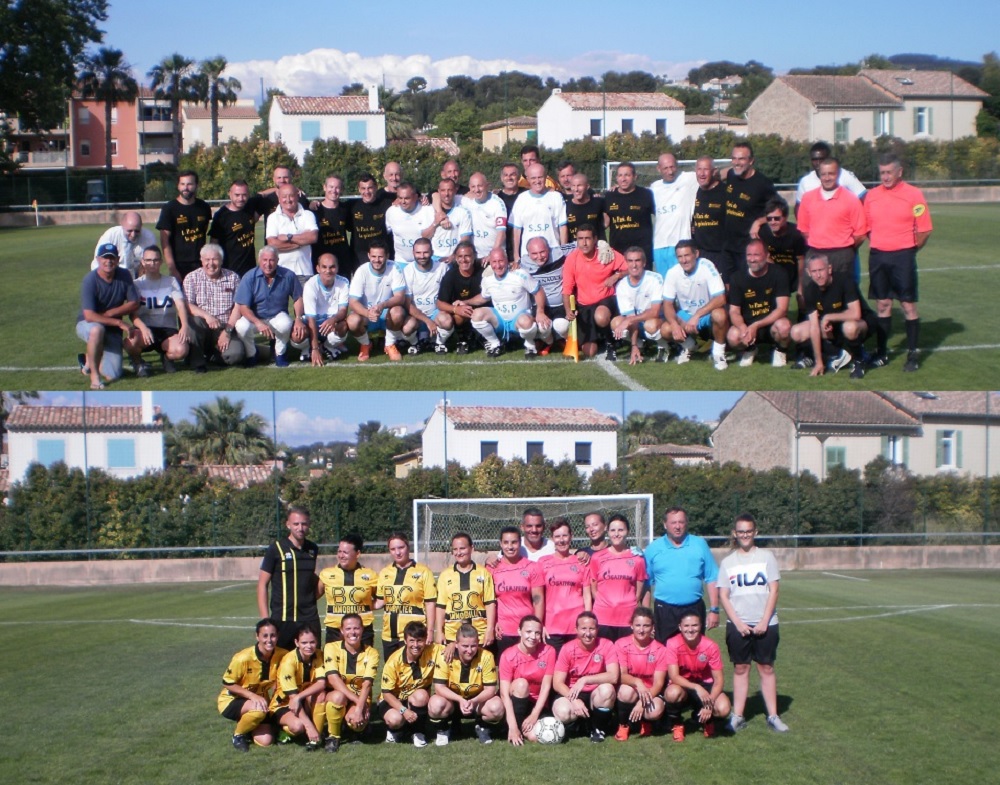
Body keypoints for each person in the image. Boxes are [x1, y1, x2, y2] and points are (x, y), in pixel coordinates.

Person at [718, 513, 788, 733]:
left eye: (749, 531)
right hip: (739, 625)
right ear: (735, 533)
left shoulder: (767, 557)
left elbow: (774, 589)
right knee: (741, 668)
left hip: (766, 623)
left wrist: (764, 621)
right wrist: (737, 623)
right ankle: (737, 716)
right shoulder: (728, 562)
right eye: (741, 531)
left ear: (755, 532)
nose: (745, 535)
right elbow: (724, 596)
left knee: (766, 667)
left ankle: (773, 716)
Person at [863, 153, 933, 372]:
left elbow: (924, 229)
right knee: (882, 304)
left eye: (889, 172)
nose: (885, 177)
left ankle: (912, 354)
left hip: (903, 256)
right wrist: (881, 243)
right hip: (878, 256)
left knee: (908, 305)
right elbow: (866, 227)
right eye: (882, 172)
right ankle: (882, 353)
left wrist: (909, 250)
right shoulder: (872, 196)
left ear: (899, 172)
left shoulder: (914, 195)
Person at [789, 252, 878, 379]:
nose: (818, 275)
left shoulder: (845, 281)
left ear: (829, 269)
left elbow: (856, 313)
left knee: (849, 328)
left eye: (821, 270)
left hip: (861, 323)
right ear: (809, 272)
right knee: (796, 332)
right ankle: (832, 355)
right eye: (814, 271)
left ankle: (859, 360)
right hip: (833, 326)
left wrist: (828, 317)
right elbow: (814, 326)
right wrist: (819, 362)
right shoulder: (810, 290)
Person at [643, 506, 720, 643]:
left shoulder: (699, 544)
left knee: (694, 654)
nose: (677, 526)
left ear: (686, 523)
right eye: (673, 523)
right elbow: (646, 584)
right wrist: (647, 616)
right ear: (665, 525)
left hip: (694, 607)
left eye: (681, 522)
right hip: (664, 610)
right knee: (665, 656)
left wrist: (714, 610)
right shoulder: (653, 548)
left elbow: (712, 577)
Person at [428, 622, 504, 745]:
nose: (469, 650)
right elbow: (439, 688)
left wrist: (473, 701)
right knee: (435, 704)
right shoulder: (445, 656)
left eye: (473, 646)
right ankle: (443, 730)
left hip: (477, 702)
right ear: (456, 644)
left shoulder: (487, 656)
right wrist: (460, 700)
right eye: (465, 646)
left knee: (497, 708)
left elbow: (490, 690)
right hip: (452, 702)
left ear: (478, 642)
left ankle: (482, 727)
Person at [218, 619, 288, 752]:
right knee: (258, 710)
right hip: (232, 700)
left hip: (260, 701)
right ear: (257, 636)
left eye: (273, 635)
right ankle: (238, 736)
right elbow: (227, 683)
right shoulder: (242, 658)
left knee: (266, 741)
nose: (269, 640)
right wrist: (252, 696)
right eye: (265, 636)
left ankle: (248, 725)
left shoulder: (282, 655)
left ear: (278, 636)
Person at [76, 244, 140, 388]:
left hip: (110, 327)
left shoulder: (124, 275)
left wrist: (110, 314)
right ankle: (95, 377)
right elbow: (89, 316)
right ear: (98, 259)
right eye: (105, 258)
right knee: (97, 330)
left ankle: (87, 359)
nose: (108, 261)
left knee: (114, 374)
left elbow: (134, 303)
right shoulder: (90, 280)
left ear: (117, 259)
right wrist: (118, 323)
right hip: (87, 323)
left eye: (112, 258)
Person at [257, 507, 321, 651]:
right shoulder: (276, 549)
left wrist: (311, 599)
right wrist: (266, 620)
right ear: (288, 525)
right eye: (296, 524)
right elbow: (262, 584)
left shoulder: (313, 549)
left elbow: (312, 580)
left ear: (309, 524)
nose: (300, 528)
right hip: (283, 619)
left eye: (304, 524)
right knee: (281, 665)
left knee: (312, 664)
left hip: (309, 618)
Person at [233, 245, 308, 367]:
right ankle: (251, 353)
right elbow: (243, 307)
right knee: (241, 326)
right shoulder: (249, 277)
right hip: (254, 317)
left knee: (286, 324)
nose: (268, 264)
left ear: (277, 260)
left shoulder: (288, 275)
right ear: (259, 260)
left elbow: (298, 298)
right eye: (265, 260)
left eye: (272, 260)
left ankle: (280, 352)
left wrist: (299, 318)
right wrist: (258, 323)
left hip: (277, 315)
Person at [659, 240, 729, 370]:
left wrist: (697, 315)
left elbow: (721, 298)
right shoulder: (673, 273)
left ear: (696, 254)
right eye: (680, 256)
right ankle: (691, 347)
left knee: (720, 315)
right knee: (665, 330)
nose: (683, 260)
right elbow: (667, 304)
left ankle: (719, 353)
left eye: (687, 255)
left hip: (706, 315)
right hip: (685, 316)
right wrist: (675, 326)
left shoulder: (707, 266)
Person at [551, 611, 620, 743]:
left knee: (608, 690)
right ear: (576, 630)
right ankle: (582, 727)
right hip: (572, 692)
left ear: (597, 629)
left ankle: (599, 729)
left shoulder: (606, 645)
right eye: (583, 628)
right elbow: (557, 683)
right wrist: (574, 699)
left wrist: (585, 679)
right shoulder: (567, 649)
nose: (588, 633)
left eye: (592, 629)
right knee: (563, 712)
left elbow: (613, 676)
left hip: (595, 693)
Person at [123, 245, 191, 377]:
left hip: (167, 330)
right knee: (130, 342)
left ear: (161, 262)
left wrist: (184, 326)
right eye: (148, 260)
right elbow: (132, 314)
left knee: (181, 349)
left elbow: (181, 305)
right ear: (143, 262)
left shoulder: (171, 281)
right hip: (145, 330)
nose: (152, 264)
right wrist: (143, 328)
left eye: (155, 260)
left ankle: (167, 358)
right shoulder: (136, 284)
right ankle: (138, 363)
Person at [562, 224, 628, 360]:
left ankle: (611, 343)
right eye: (580, 239)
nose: (584, 243)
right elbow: (567, 289)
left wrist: (617, 276)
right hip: (584, 305)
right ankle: (602, 336)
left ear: (595, 239)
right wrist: (568, 309)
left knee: (601, 316)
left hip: (606, 300)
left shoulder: (607, 254)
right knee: (590, 351)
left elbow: (629, 268)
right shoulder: (571, 259)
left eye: (588, 238)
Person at [796, 158, 868, 280]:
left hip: (842, 255)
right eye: (824, 174)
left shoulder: (851, 199)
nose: (827, 178)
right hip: (816, 253)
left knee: (845, 296)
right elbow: (804, 230)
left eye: (831, 173)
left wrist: (845, 249)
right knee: (814, 296)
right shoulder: (808, 198)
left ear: (838, 174)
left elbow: (860, 234)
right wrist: (819, 244)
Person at [663, 611, 731, 741]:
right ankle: (677, 724)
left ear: (701, 626)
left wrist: (709, 704)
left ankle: (706, 719)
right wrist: (695, 687)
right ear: (680, 627)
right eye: (686, 626)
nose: (690, 629)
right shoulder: (672, 643)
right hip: (684, 685)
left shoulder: (711, 646)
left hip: (705, 685)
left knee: (724, 708)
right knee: (672, 693)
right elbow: (674, 676)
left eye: (694, 625)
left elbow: (719, 680)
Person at [726, 239, 793, 368]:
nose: (752, 259)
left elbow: (782, 309)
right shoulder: (737, 278)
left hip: (771, 325)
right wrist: (742, 327)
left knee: (784, 327)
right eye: (749, 255)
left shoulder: (779, 273)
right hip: (748, 326)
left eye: (756, 255)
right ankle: (750, 349)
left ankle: (780, 350)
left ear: (767, 255)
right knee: (733, 336)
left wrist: (756, 325)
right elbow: (734, 311)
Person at [473, 247, 548, 359]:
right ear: (490, 262)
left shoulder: (520, 274)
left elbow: (538, 291)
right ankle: (495, 344)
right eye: (494, 262)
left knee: (526, 321)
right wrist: (463, 302)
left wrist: (540, 312)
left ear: (507, 260)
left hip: (519, 320)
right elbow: (483, 297)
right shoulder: (487, 279)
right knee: (476, 315)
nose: (497, 265)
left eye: (501, 261)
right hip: (500, 321)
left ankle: (530, 345)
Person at [321, 613, 380, 752]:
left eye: (356, 628)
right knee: (337, 697)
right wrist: (360, 704)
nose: (352, 632)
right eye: (348, 629)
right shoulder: (331, 648)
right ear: (341, 630)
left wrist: (359, 708)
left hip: (359, 697)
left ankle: (351, 727)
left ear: (362, 629)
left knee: (357, 724)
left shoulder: (372, 653)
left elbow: (367, 684)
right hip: (341, 696)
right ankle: (334, 736)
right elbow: (333, 679)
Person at [182, 242, 245, 371]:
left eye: (215, 259)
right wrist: (207, 316)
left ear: (221, 261)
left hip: (224, 327)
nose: (211, 264)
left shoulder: (233, 278)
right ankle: (198, 362)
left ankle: (213, 355)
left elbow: (238, 307)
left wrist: (227, 331)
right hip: (202, 326)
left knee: (235, 355)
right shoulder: (191, 278)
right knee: (195, 321)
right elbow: (187, 305)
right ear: (201, 260)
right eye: (207, 260)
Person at [721, 143, 777, 285]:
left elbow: (779, 210)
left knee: (748, 288)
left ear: (751, 161)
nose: (736, 163)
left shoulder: (762, 183)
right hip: (728, 246)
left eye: (741, 159)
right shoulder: (731, 175)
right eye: (734, 158)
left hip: (748, 247)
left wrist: (759, 222)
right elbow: (717, 173)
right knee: (728, 288)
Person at [376, 533, 437, 662]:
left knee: (414, 675)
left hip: (414, 635)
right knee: (393, 675)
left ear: (408, 547)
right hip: (389, 636)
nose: (397, 552)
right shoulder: (385, 572)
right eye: (393, 549)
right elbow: (380, 601)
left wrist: (430, 631)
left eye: (401, 547)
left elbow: (430, 604)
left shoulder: (423, 572)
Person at [378, 620, 440, 747]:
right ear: (405, 641)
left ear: (425, 640)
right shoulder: (394, 661)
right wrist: (403, 710)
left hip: (414, 699)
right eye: (412, 641)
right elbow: (386, 693)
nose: (416, 645)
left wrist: (451, 645)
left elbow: (457, 645)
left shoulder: (433, 651)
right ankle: (395, 730)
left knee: (421, 695)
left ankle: (418, 732)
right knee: (395, 719)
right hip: (392, 700)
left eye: (420, 640)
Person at [499, 615, 557, 745]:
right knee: (521, 684)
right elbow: (504, 694)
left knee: (535, 737)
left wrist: (534, 715)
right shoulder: (508, 655)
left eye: (537, 633)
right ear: (519, 631)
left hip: (537, 704)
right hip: (516, 702)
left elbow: (546, 686)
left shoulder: (549, 651)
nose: (533, 636)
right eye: (528, 632)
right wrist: (512, 726)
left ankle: (525, 728)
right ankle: (514, 727)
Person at [588, 513, 647, 641]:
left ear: (628, 532)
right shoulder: (597, 558)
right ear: (607, 532)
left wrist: (627, 604)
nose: (616, 534)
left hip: (627, 618)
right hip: (603, 618)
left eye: (621, 530)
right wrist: (606, 605)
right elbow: (594, 588)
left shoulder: (637, 558)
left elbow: (639, 590)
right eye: (613, 530)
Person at [346, 239, 407, 362]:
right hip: (367, 314)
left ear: (387, 256)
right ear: (368, 255)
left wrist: (382, 305)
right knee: (352, 321)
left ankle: (389, 344)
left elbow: (400, 297)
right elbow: (352, 302)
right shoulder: (361, 271)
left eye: (380, 256)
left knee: (398, 312)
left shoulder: (395, 267)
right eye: (373, 256)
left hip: (386, 312)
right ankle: (366, 344)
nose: (377, 260)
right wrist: (368, 313)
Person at [613, 607, 668, 741]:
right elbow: (622, 675)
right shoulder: (621, 644)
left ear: (652, 627)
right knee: (625, 692)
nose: (641, 630)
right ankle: (623, 725)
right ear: (631, 625)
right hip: (632, 688)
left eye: (646, 626)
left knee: (655, 711)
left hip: (651, 691)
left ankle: (646, 721)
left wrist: (642, 703)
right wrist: (638, 682)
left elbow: (659, 683)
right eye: (638, 625)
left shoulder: (661, 649)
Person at [268, 624, 327, 750]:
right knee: (298, 726)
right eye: (304, 642)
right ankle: (281, 729)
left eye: (312, 642)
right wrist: (309, 726)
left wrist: (300, 696)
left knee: (321, 695)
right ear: (296, 642)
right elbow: (292, 699)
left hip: (299, 699)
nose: (309, 646)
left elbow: (321, 683)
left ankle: (316, 737)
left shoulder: (319, 655)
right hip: (282, 704)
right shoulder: (288, 661)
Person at [538, 518, 592, 653]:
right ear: (552, 539)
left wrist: (587, 622)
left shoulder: (581, 562)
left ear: (571, 536)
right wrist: (540, 624)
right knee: (555, 670)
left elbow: (587, 595)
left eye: (564, 535)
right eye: (557, 536)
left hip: (576, 627)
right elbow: (538, 597)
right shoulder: (543, 562)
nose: (561, 540)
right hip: (552, 627)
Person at [490, 526, 545, 656]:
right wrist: (493, 623)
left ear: (520, 543)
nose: (510, 546)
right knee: (504, 671)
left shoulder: (532, 567)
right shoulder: (492, 568)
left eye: (514, 542)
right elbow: (489, 601)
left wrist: (537, 626)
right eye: (506, 542)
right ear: (500, 544)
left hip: (527, 630)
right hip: (503, 631)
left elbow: (538, 599)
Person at [434, 532, 496, 646]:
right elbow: (441, 606)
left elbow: (490, 603)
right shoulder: (445, 575)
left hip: (480, 635)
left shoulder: (483, 573)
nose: (459, 552)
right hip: (452, 635)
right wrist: (439, 631)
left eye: (462, 548)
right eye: (455, 549)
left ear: (471, 548)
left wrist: (490, 629)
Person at [318, 533, 379, 648]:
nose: (341, 555)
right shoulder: (326, 574)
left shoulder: (370, 575)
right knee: (333, 665)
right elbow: (314, 596)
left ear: (357, 554)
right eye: (339, 551)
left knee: (363, 664)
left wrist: (366, 606)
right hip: (334, 630)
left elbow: (382, 599)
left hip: (362, 630)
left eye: (345, 552)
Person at [611, 246, 667, 364]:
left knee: (650, 325)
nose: (634, 265)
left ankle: (664, 347)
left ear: (644, 263)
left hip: (657, 321)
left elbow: (655, 312)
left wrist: (629, 321)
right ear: (626, 263)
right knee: (616, 323)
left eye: (637, 260)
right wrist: (634, 345)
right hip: (638, 322)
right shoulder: (621, 286)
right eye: (630, 261)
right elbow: (630, 317)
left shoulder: (655, 279)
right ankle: (640, 345)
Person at [156, 170, 212, 279]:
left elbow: (204, 233)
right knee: (181, 296)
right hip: (179, 265)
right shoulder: (169, 208)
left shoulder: (204, 207)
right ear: (178, 186)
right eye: (182, 184)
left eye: (189, 184)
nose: (185, 188)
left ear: (196, 186)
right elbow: (164, 240)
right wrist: (172, 267)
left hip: (201, 262)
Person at [519, 237, 570, 354]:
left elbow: (580, 244)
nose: (539, 256)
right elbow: (508, 267)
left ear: (549, 249)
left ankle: (566, 339)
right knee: (543, 327)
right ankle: (549, 342)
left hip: (560, 304)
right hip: (539, 306)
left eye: (542, 252)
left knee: (561, 325)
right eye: (534, 253)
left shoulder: (559, 252)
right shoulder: (523, 263)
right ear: (528, 254)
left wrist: (602, 246)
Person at [651, 153, 698, 277]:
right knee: (666, 286)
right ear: (658, 169)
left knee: (684, 282)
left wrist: (735, 169)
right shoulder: (654, 188)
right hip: (659, 246)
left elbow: (712, 173)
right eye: (666, 168)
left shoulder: (689, 179)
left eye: (672, 167)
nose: (670, 171)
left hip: (681, 244)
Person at [400, 238, 449, 355]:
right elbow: (407, 304)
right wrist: (427, 321)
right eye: (418, 253)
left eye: (425, 252)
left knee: (447, 321)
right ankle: (416, 343)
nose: (422, 256)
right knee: (407, 328)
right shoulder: (407, 271)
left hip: (436, 313)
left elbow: (447, 297)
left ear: (432, 252)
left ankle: (438, 342)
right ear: (413, 253)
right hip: (417, 315)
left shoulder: (442, 268)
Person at [510, 162, 568, 260]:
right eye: (533, 178)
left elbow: (562, 227)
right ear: (528, 179)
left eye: (540, 177)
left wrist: (564, 252)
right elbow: (516, 230)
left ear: (545, 177)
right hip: (528, 256)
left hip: (553, 254)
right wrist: (516, 255)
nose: (537, 181)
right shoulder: (521, 199)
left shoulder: (556, 197)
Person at [435, 240, 484, 354]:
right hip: (458, 313)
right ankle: (458, 339)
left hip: (479, 311)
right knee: (445, 319)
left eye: (467, 256)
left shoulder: (482, 273)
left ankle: (484, 338)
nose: (464, 260)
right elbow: (440, 303)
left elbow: (487, 296)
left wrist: (465, 303)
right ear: (456, 258)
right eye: (460, 256)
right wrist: (456, 309)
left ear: (475, 256)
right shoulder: (450, 276)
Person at [265, 183, 319, 284]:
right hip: (280, 272)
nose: (288, 200)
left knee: (305, 300)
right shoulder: (272, 217)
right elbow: (272, 244)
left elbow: (313, 237)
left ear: (297, 195)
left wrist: (288, 237)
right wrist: (301, 242)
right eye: (284, 196)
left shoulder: (308, 215)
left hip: (305, 271)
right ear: (279, 198)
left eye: (291, 196)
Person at [758, 196, 807, 306]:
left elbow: (801, 261)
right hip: (775, 273)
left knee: (803, 302)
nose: (773, 222)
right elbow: (764, 256)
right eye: (769, 219)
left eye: (777, 218)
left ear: (785, 217)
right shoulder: (763, 233)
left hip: (793, 271)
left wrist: (800, 289)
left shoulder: (796, 234)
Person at [605, 162, 655, 268]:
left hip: (642, 253)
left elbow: (660, 217)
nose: (623, 179)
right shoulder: (609, 196)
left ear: (634, 177)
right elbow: (605, 221)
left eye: (627, 175)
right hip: (618, 254)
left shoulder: (646, 194)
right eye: (620, 175)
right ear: (616, 178)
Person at [303, 253, 350, 365]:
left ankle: (326, 347)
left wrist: (333, 319)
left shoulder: (344, 282)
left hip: (330, 325)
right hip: (313, 324)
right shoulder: (310, 285)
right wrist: (315, 349)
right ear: (318, 268)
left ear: (337, 268)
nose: (328, 271)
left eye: (332, 267)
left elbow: (343, 311)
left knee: (344, 326)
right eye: (324, 267)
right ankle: (310, 349)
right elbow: (311, 319)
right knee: (297, 335)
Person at [795, 141, 866, 212]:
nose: (818, 163)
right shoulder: (805, 182)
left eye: (822, 159)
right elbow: (799, 208)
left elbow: (864, 198)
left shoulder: (845, 176)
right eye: (815, 159)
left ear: (829, 158)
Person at [208, 179, 258, 277]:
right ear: (230, 194)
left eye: (244, 195)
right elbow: (214, 244)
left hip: (251, 271)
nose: (241, 198)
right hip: (229, 272)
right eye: (237, 195)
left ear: (248, 194)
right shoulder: (221, 216)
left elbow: (267, 195)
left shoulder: (250, 207)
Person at [310, 174, 354, 280]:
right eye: (331, 187)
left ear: (342, 189)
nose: (334, 190)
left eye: (337, 187)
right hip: (322, 263)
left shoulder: (346, 209)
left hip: (342, 262)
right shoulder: (314, 211)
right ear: (324, 187)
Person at [384, 181, 436, 270]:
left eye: (407, 198)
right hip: (401, 262)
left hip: (424, 262)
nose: (403, 201)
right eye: (400, 198)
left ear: (416, 197)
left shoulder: (428, 210)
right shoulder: (391, 212)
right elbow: (386, 233)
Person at [348, 173, 393, 268]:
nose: (366, 192)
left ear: (376, 187)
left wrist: (421, 198)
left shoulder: (387, 204)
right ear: (359, 189)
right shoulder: (351, 206)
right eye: (363, 188)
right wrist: (313, 204)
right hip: (359, 256)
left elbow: (407, 199)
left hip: (380, 255)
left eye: (370, 188)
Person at [92, 211, 157, 276]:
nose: (133, 235)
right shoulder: (111, 235)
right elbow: (99, 261)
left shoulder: (149, 237)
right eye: (129, 231)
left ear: (141, 226)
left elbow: (152, 264)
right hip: (113, 274)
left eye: (137, 231)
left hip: (138, 274)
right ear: (122, 225)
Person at [462, 172, 508, 262]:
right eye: (473, 187)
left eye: (480, 186)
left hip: (495, 256)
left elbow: (501, 233)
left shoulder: (497, 203)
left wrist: (492, 254)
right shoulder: (466, 202)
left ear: (487, 185)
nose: (477, 190)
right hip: (475, 256)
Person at [691, 156, 727, 270]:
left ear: (714, 171)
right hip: (700, 254)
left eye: (706, 169)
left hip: (721, 253)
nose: (702, 173)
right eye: (699, 169)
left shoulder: (725, 192)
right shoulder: (694, 190)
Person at [429, 177, 473, 263]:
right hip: (434, 259)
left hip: (454, 259)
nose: (446, 194)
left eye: (450, 190)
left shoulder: (463, 212)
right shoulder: (429, 211)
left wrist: (454, 255)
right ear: (438, 191)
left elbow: (465, 239)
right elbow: (424, 236)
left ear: (455, 190)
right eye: (443, 190)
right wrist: (435, 223)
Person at [495, 161, 527, 262]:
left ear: (518, 177)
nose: (509, 178)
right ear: (501, 178)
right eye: (506, 175)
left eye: (512, 175)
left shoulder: (527, 195)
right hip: (504, 248)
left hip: (524, 248)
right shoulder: (495, 199)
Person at [565, 172, 608, 242]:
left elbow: (608, 219)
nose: (576, 189)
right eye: (573, 186)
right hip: (575, 249)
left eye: (579, 185)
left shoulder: (598, 202)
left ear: (587, 186)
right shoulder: (565, 205)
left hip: (596, 248)